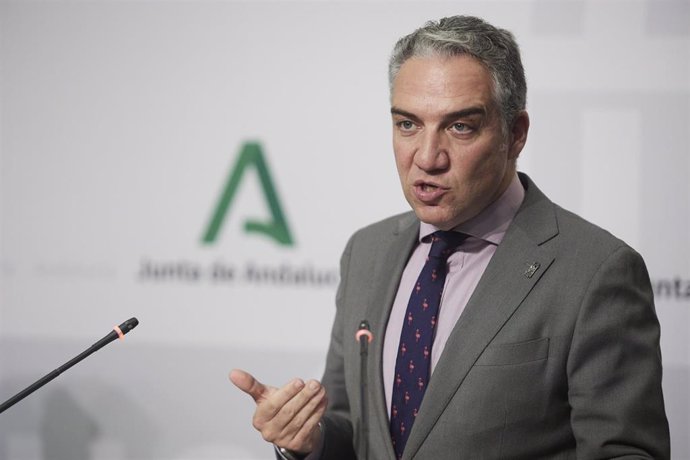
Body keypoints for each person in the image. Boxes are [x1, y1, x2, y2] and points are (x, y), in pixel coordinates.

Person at [230, 15, 670, 459]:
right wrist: (310, 441)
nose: (426, 157)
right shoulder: (366, 252)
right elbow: (353, 428)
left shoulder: (596, 271)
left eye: (460, 127)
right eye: (408, 124)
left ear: (515, 134)